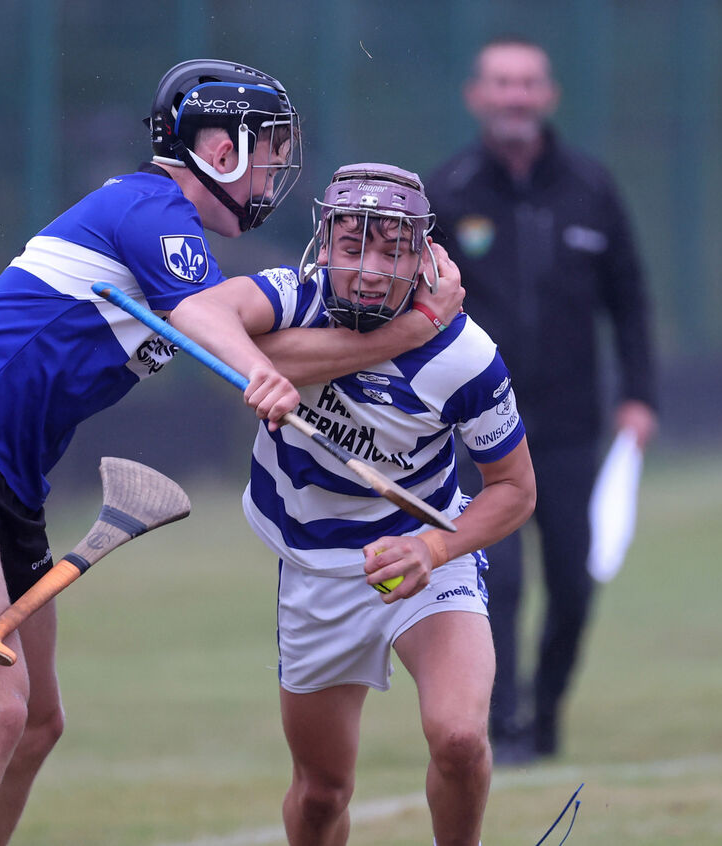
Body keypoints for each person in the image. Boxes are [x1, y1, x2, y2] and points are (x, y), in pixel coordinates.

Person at [0, 60, 463, 846]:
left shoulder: (177, 245)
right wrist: (267, 368)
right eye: (269, 148)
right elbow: (228, 332)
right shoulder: (146, 207)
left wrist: (403, 331)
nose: (277, 167)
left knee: (37, 726)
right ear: (218, 146)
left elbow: (279, 346)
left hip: (7, 486)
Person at [172, 163, 537, 846]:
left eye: (392, 249)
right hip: (316, 570)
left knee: (459, 738)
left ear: (425, 255)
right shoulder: (293, 296)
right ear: (324, 244)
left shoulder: (466, 358)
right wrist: (393, 335)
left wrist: (433, 548)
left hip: (426, 554)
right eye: (352, 246)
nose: (369, 269)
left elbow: (515, 490)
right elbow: (198, 318)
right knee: (320, 796)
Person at [426, 37, 658, 763]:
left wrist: (640, 396)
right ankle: (503, 723)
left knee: (573, 580)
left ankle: (546, 711)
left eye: (527, 83)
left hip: (567, 429)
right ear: (477, 95)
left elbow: (630, 300)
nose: (515, 96)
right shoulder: (449, 190)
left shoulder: (591, 186)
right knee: (498, 580)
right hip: (473, 431)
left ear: (548, 95)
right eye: (502, 82)